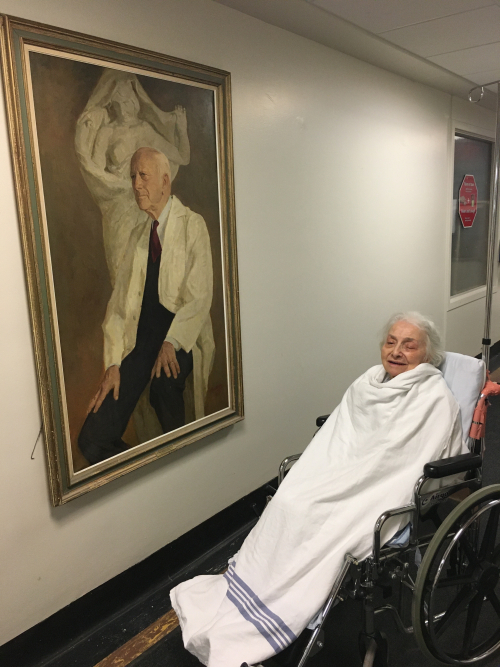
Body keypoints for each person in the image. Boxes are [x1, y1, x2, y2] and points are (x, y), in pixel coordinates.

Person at [170, 312, 466, 667]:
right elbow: (341, 436)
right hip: (338, 473)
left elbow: (407, 456)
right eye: (391, 341)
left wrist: (359, 478)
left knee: (318, 519)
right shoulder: (367, 383)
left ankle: (286, 609)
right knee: (289, 500)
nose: (397, 351)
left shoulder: (433, 397)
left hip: (376, 486)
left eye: (409, 344)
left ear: (427, 355)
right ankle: (255, 599)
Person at [78, 147, 215, 465]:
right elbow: (118, 308)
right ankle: (157, 466)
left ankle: (184, 466)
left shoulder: (192, 226)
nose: (136, 184)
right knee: (91, 439)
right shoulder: (139, 237)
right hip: (140, 347)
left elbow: (199, 296)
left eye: (143, 176)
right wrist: (112, 364)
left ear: (165, 182)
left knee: (164, 389)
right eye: (132, 177)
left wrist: (172, 341)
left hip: (181, 337)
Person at [75, 70, 190, 285]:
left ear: (135, 99)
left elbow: (183, 157)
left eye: (128, 98)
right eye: (119, 99)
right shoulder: (106, 133)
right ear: (111, 101)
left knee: (148, 270)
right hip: (118, 208)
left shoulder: (144, 129)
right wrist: (117, 185)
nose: (124, 104)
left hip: (143, 208)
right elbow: (98, 173)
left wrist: (181, 130)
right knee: (120, 272)